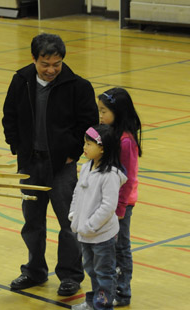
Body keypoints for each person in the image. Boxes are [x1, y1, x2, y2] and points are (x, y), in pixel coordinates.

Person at [2, 33, 99, 296]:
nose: (51, 70)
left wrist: (73, 152)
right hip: (31, 164)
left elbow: (89, 124)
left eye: (57, 64)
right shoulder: (21, 80)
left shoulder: (78, 86)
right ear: (34, 59)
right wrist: (17, 147)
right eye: (45, 64)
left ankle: (70, 275)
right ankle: (34, 271)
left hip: (62, 167)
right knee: (32, 221)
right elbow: (9, 115)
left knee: (69, 222)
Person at [70, 124, 127, 310]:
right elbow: (77, 193)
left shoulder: (110, 175)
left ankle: (102, 306)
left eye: (88, 144)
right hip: (85, 233)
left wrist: (91, 225)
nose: (84, 147)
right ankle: (93, 302)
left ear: (102, 148)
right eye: (84, 143)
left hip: (101, 235)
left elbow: (108, 206)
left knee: (104, 273)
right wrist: (74, 215)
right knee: (91, 271)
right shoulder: (86, 167)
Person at [97, 88, 142, 307]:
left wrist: (120, 208)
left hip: (120, 205)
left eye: (104, 111)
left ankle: (122, 292)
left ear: (118, 111)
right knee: (108, 247)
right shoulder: (110, 134)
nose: (100, 115)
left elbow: (128, 178)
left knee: (121, 247)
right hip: (108, 202)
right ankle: (110, 287)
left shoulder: (125, 142)